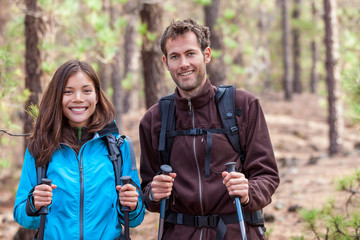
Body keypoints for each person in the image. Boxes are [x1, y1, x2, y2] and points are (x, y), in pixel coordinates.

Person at [139, 18, 280, 239]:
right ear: (165, 62)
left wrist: (248, 191)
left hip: (236, 232)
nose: (183, 63)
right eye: (175, 57)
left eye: (190, 53)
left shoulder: (243, 106)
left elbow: (267, 174)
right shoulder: (154, 120)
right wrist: (153, 194)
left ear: (206, 54)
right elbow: (147, 189)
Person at [14, 60, 144, 239]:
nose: (78, 98)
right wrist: (33, 204)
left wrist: (132, 205)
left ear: (97, 96)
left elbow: (135, 219)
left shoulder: (119, 148)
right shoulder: (40, 147)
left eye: (86, 90)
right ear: (57, 96)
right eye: (68, 91)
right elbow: (23, 216)